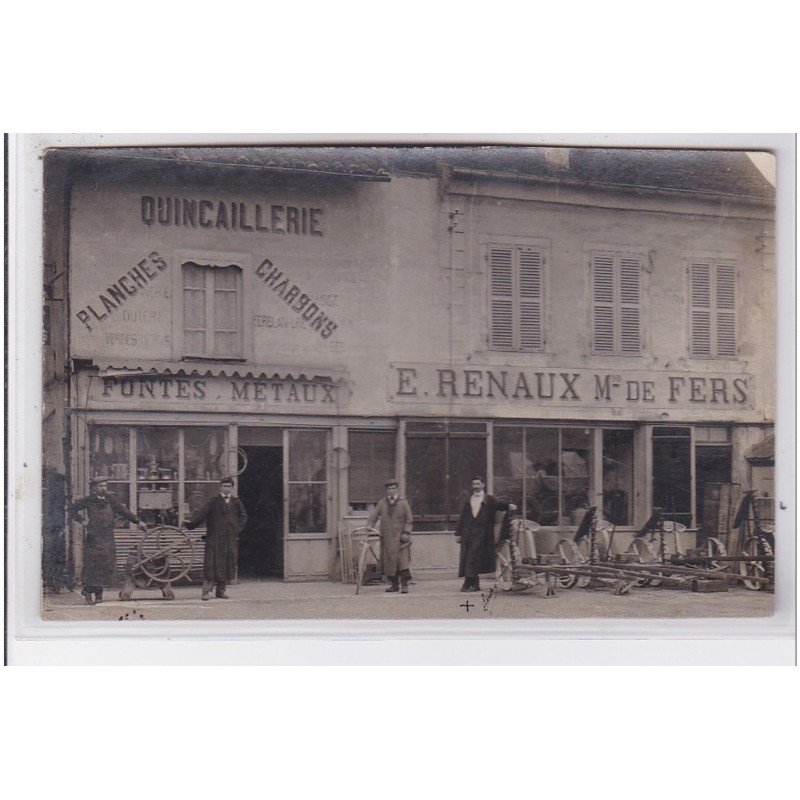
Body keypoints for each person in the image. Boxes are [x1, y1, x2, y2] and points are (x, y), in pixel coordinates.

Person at [69, 476, 147, 605]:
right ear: (94, 488)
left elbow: (124, 511)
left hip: (108, 537)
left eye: (105, 486)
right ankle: (88, 592)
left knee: (105, 565)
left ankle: (99, 594)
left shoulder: (111, 500)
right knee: (91, 566)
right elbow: (71, 509)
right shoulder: (88, 501)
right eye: (100, 486)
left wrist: (138, 521)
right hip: (93, 538)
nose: (103, 488)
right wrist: (82, 520)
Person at [184, 477, 248, 600]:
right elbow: (201, 515)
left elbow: (244, 516)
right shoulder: (213, 501)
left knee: (226, 565)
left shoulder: (236, 501)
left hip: (229, 540)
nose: (227, 488)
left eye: (229, 486)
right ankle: (206, 592)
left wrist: (236, 529)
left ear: (232, 488)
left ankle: (221, 591)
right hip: (214, 539)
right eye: (224, 486)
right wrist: (190, 525)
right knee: (211, 565)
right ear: (220, 487)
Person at [454, 476, 513, 592]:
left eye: (478, 484)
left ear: (483, 485)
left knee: (474, 557)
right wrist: (458, 533)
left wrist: (509, 505)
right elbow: (462, 517)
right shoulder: (468, 499)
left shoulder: (489, 499)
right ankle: (474, 584)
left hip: (483, 535)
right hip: (468, 533)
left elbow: (500, 505)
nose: (475, 486)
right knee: (469, 558)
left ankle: (468, 584)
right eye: (474, 484)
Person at [367, 479, 413, 593]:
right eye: (388, 489)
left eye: (393, 488)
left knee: (402, 562)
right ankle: (394, 584)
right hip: (387, 539)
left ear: (397, 489)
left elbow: (409, 519)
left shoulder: (403, 503)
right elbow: (373, 516)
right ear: (386, 490)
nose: (391, 491)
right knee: (389, 563)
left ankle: (405, 585)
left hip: (401, 539)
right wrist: (369, 526)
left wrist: (406, 533)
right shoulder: (382, 503)